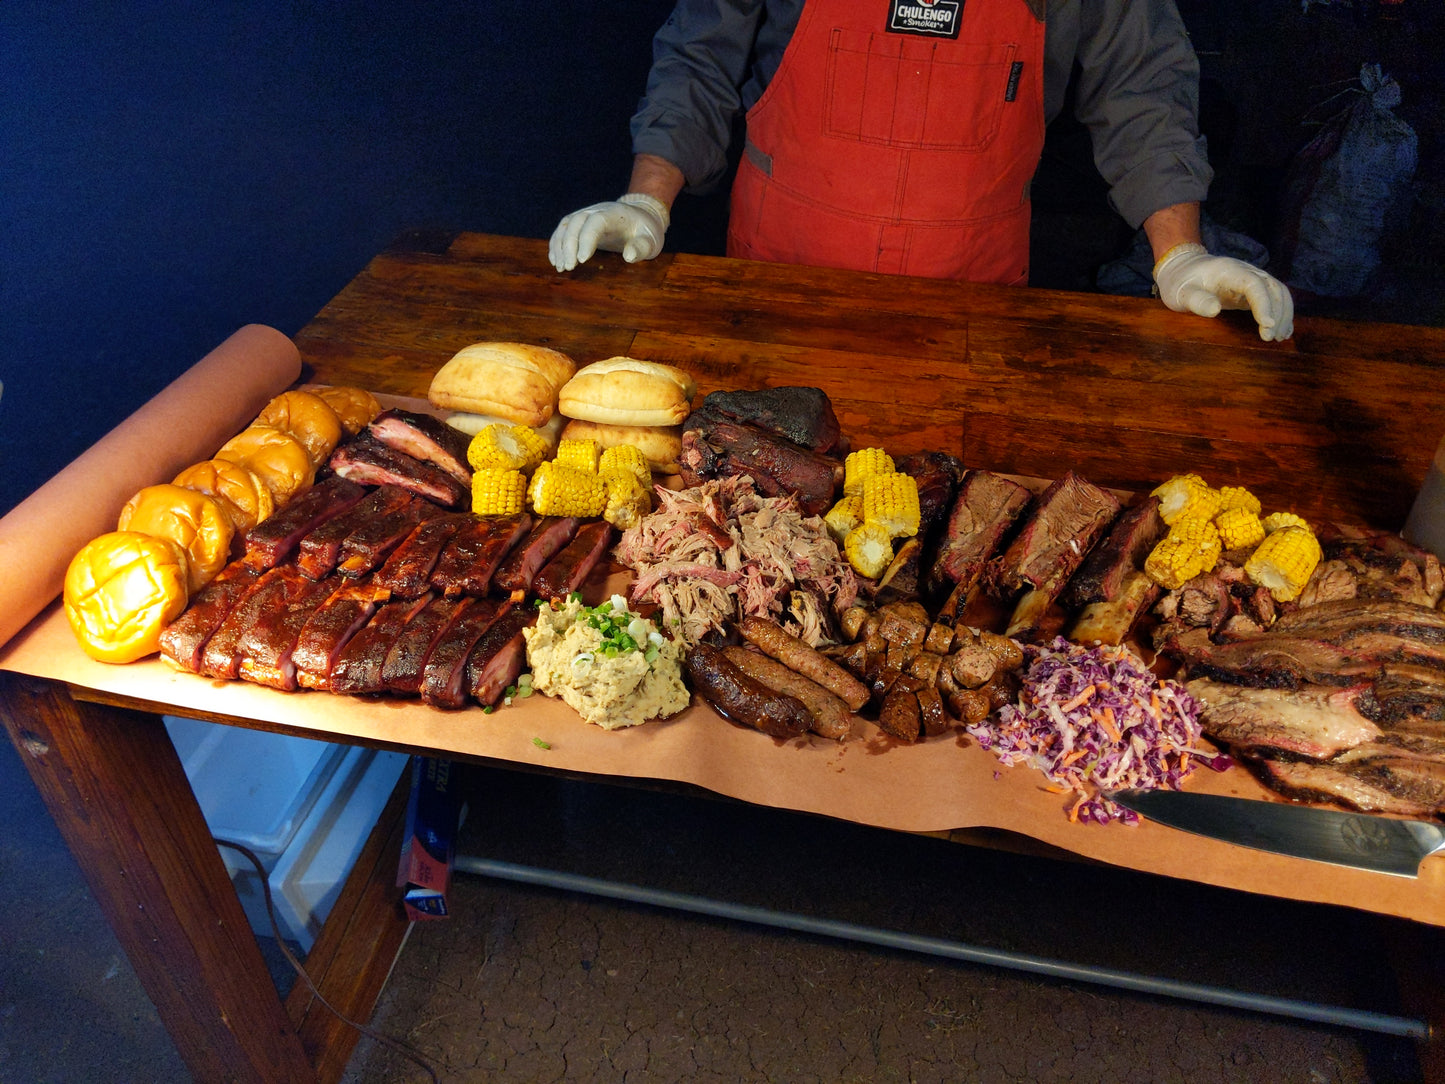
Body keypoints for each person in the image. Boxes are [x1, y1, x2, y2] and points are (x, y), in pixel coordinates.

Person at [549, 0, 1293, 341]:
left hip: (970, 304)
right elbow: (699, 57)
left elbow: (1143, 87)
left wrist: (1180, 253)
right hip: (778, 286)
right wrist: (646, 203)